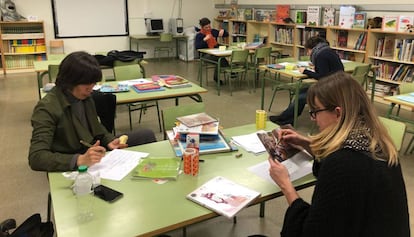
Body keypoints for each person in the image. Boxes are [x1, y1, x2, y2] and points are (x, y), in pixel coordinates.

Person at [268, 71, 410, 237]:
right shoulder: (379, 144)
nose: (313, 119)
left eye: (315, 112)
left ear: (338, 113)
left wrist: (286, 184)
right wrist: (307, 143)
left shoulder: (342, 163)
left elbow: (312, 232)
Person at [28, 51, 156, 172]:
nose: (91, 88)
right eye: (87, 84)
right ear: (70, 81)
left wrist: (109, 140)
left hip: (92, 151)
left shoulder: (85, 97)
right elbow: (36, 157)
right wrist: (79, 159)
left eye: (93, 83)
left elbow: (97, 127)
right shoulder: (47, 108)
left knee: (146, 135)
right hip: (73, 158)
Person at [269, 36, 344, 125]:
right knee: (301, 91)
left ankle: (285, 119)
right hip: (338, 85)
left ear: (312, 48)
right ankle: (286, 117)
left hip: (330, 89)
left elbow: (322, 77)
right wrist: (317, 67)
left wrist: (305, 71)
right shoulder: (328, 51)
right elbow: (329, 71)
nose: (308, 54)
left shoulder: (320, 55)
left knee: (301, 97)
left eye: (308, 51)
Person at [195, 17, 229, 84]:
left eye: (209, 27)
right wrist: (204, 40)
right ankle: (228, 71)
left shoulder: (212, 31)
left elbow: (225, 34)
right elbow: (197, 47)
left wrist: (223, 32)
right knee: (219, 59)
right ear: (202, 27)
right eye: (206, 27)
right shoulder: (199, 35)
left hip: (214, 52)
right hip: (204, 55)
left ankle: (227, 71)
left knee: (220, 58)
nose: (208, 29)